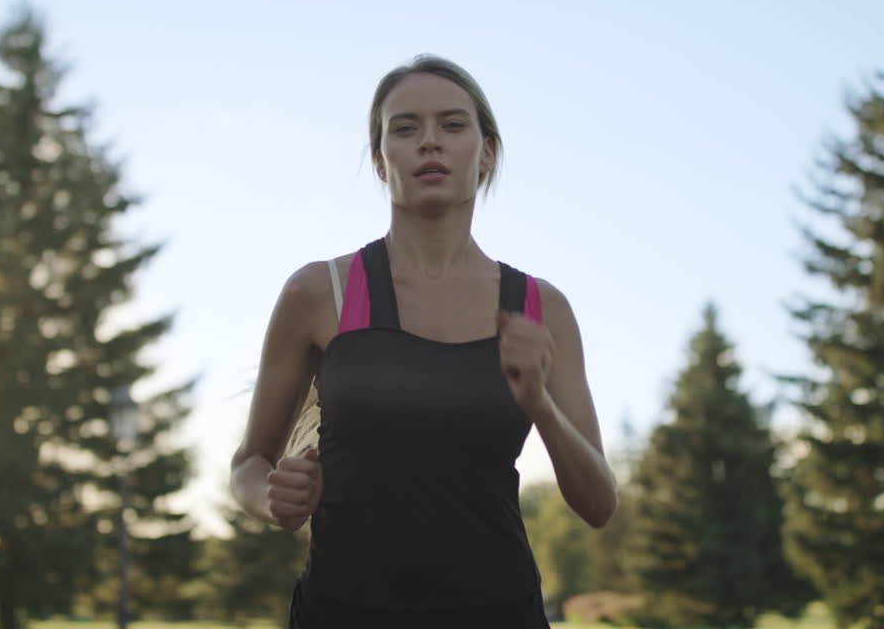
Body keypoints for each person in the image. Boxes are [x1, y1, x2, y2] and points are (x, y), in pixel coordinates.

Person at [230, 54, 617, 628]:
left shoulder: (540, 308)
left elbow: (598, 504)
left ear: (486, 152)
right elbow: (248, 464)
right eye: (405, 128)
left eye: (453, 125)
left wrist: (539, 404)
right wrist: (269, 497)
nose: (429, 142)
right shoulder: (319, 292)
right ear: (380, 160)